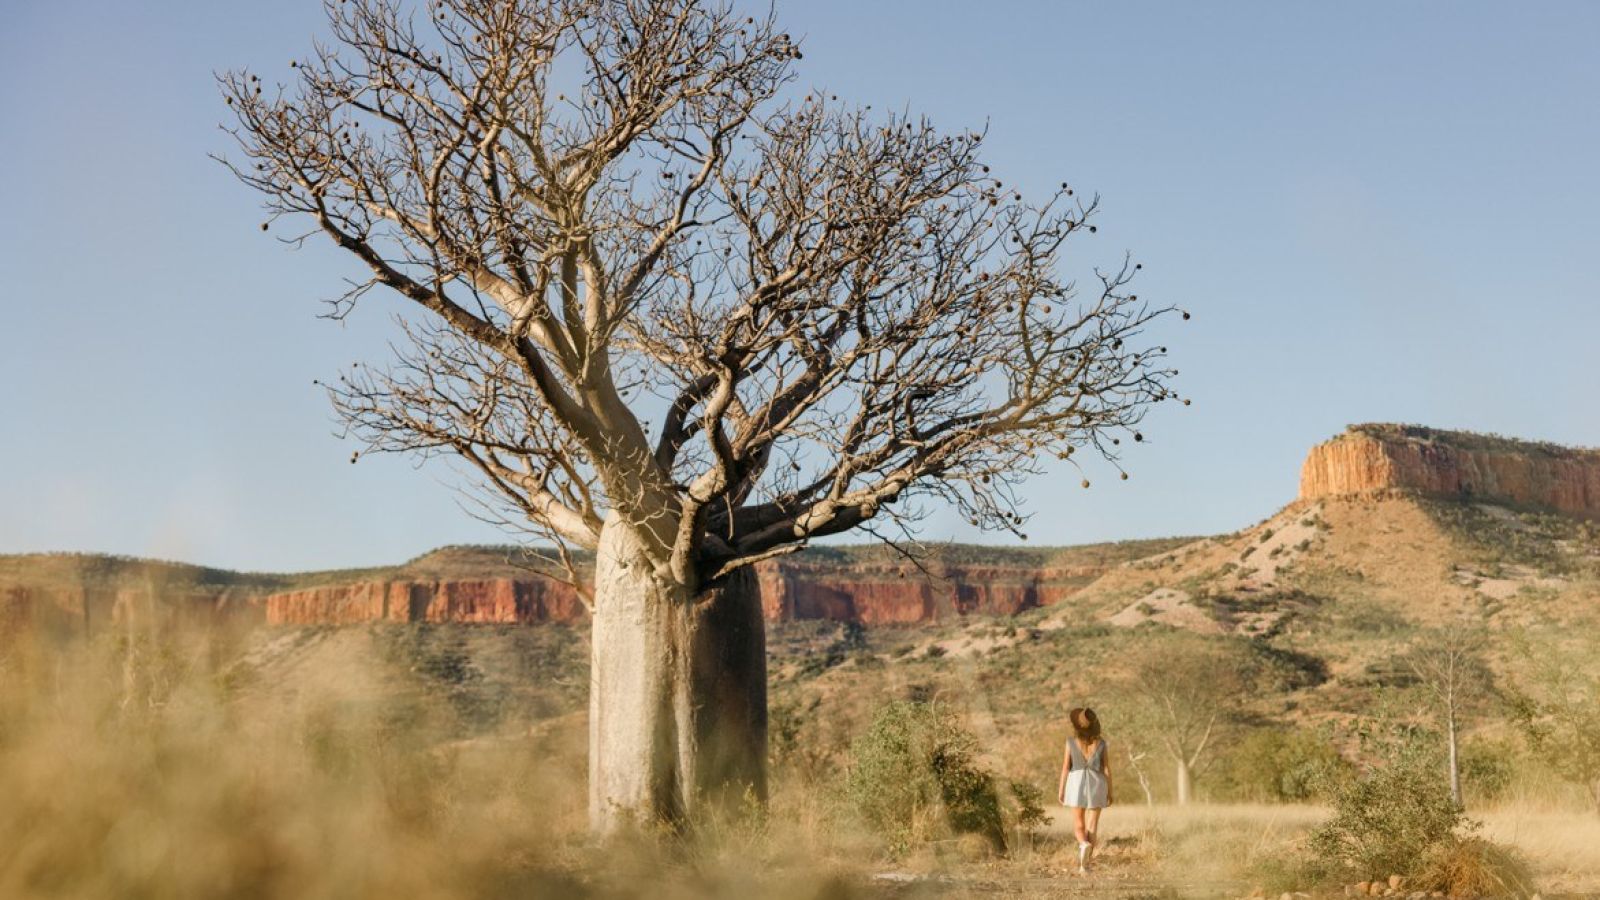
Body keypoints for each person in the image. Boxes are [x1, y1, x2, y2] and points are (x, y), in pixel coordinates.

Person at [1057, 706, 1112, 875]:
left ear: (1077, 725)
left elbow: (1066, 767)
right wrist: (1110, 791)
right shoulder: (1101, 743)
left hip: (1076, 782)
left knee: (1078, 824)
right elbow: (1106, 769)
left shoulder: (1070, 742)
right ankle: (1085, 866)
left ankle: (1083, 844)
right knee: (1092, 825)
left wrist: (1061, 790)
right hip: (1097, 782)